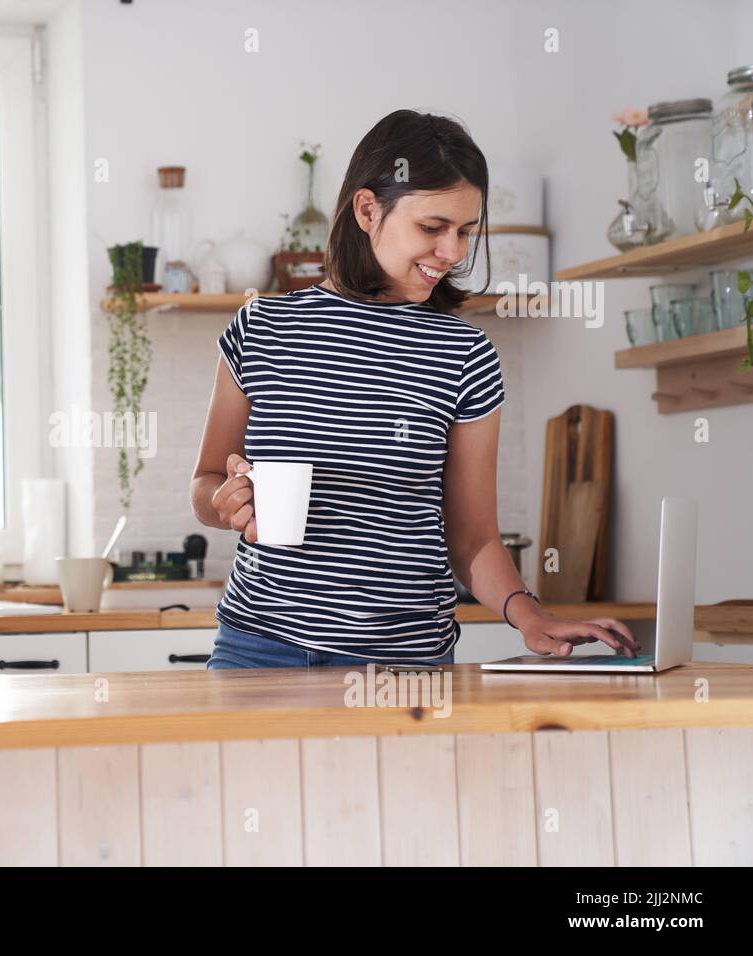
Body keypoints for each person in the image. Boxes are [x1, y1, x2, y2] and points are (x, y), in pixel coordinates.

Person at [191, 109, 638, 670]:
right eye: (432, 228)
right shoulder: (262, 329)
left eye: (465, 231)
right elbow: (207, 481)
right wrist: (222, 500)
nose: (452, 253)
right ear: (367, 209)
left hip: (403, 664)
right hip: (259, 649)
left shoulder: (466, 356)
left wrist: (532, 615)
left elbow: (473, 538)